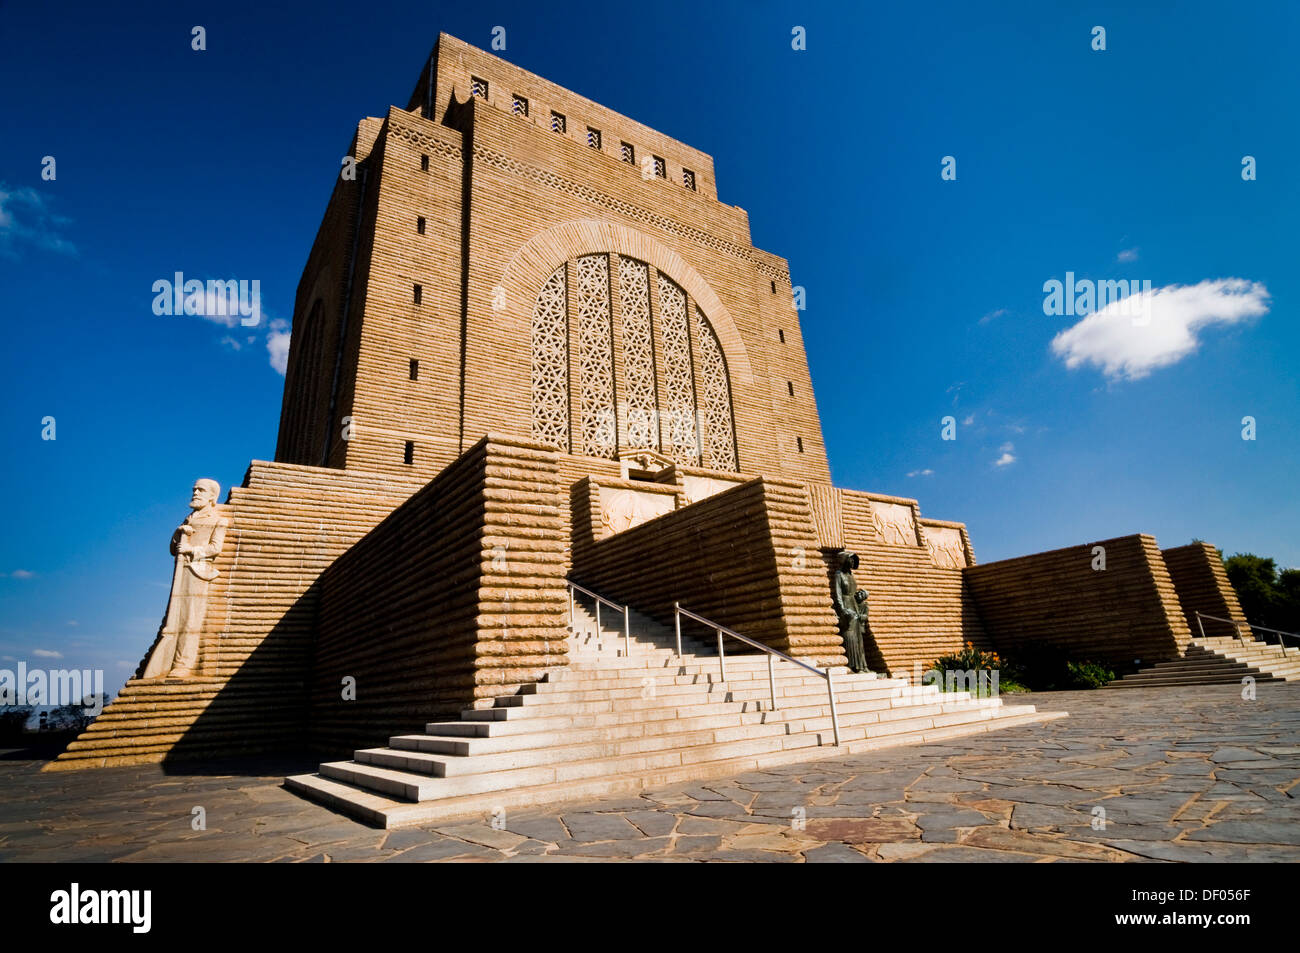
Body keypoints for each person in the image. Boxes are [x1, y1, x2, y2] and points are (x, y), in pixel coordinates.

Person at [141, 479, 229, 679]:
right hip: (181, 574)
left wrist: (192, 549)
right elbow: (173, 549)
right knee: (174, 620)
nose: (195, 493)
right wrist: (179, 533)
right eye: (194, 489)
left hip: (198, 572)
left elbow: (215, 548)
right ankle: (165, 661)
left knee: (191, 619)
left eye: (201, 490)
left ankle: (183, 664)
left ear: (212, 497)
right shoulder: (188, 519)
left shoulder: (218, 520)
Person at [831, 551, 871, 673]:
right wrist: (842, 610)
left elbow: (854, 593)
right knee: (850, 637)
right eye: (851, 559)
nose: (853, 561)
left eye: (854, 560)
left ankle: (863, 666)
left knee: (859, 639)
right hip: (846, 607)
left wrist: (861, 597)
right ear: (844, 560)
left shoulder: (851, 576)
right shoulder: (839, 575)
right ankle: (854, 666)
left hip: (854, 606)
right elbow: (838, 595)